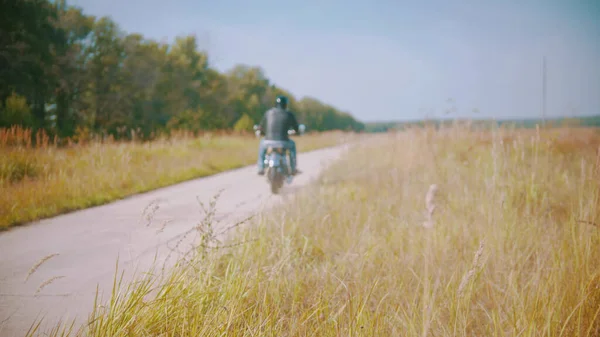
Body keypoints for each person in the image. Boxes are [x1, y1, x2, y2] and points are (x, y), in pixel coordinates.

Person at [256, 95, 301, 176]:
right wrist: (296, 132)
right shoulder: (289, 114)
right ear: (285, 104)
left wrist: (261, 132)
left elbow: (260, 127)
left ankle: (261, 167)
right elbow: (296, 128)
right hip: (283, 142)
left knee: (261, 144)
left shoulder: (268, 113)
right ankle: (293, 168)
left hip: (268, 141)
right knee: (292, 145)